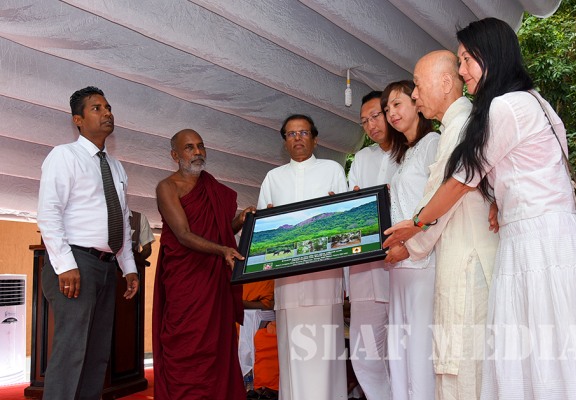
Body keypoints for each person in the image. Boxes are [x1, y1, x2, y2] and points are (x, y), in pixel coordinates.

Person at [384, 18, 576, 399]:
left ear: (491, 56)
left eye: (466, 60)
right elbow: (540, 171)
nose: (462, 70)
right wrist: (500, 204)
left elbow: (460, 181)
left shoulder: (504, 107)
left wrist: (416, 224)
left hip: (538, 248)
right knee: (565, 361)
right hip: (560, 241)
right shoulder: (537, 103)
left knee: (539, 361)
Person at [394, 50, 498, 400]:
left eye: (417, 86)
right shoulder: (456, 126)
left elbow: (441, 196)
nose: (415, 95)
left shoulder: (462, 126)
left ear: (444, 83)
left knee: (464, 369)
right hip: (462, 255)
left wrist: (407, 246)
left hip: (469, 261)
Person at [37, 86, 139, 400]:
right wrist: (66, 265)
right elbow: (49, 212)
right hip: (75, 264)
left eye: (108, 107)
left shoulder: (116, 166)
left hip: (106, 267)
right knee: (71, 353)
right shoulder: (64, 155)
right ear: (78, 120)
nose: (107, 113)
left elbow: (122, 219)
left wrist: (129, 267)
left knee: (96, 355)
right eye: (97, 108)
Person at [153, 129, 254, 399]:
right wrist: (222, 250)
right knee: (187, 343)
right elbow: (184, 234)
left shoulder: (212, 187)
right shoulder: (167, 187)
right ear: (175, 155)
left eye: (200, 146)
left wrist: (240, 220)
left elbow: (221, 231)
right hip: (185, 281)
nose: (197, 152)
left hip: (214, 281)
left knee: (216, 347)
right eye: (189, 147)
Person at [257, 114, 348, 400]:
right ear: (284, 142)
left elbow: (346, 225)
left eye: (304, 132)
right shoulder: (273, 178)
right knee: (292, 353)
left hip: (325, 280)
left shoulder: (332, 170)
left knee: (325, 353)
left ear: (315, 139)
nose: (297, 138)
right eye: (291, 134)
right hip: (288, 283)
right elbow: (262, 231)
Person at [382, 80, 439, 400]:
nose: (391, 112)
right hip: (398, 266)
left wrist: (410, 246)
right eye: (387, 108)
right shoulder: (404, 155)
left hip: (422, 263)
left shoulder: (433, 143)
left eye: (397, 104)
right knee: (399, 350)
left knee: (419, 350)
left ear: (417, 103)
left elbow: (438, 205)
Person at [346, 90, 397, 400]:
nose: (370, 125)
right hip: (366, 272)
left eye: (375, 116)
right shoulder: (362, 159)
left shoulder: (415, 152)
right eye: (364, 121)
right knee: (364, 356)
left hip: (404, 267)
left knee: (404, 354)